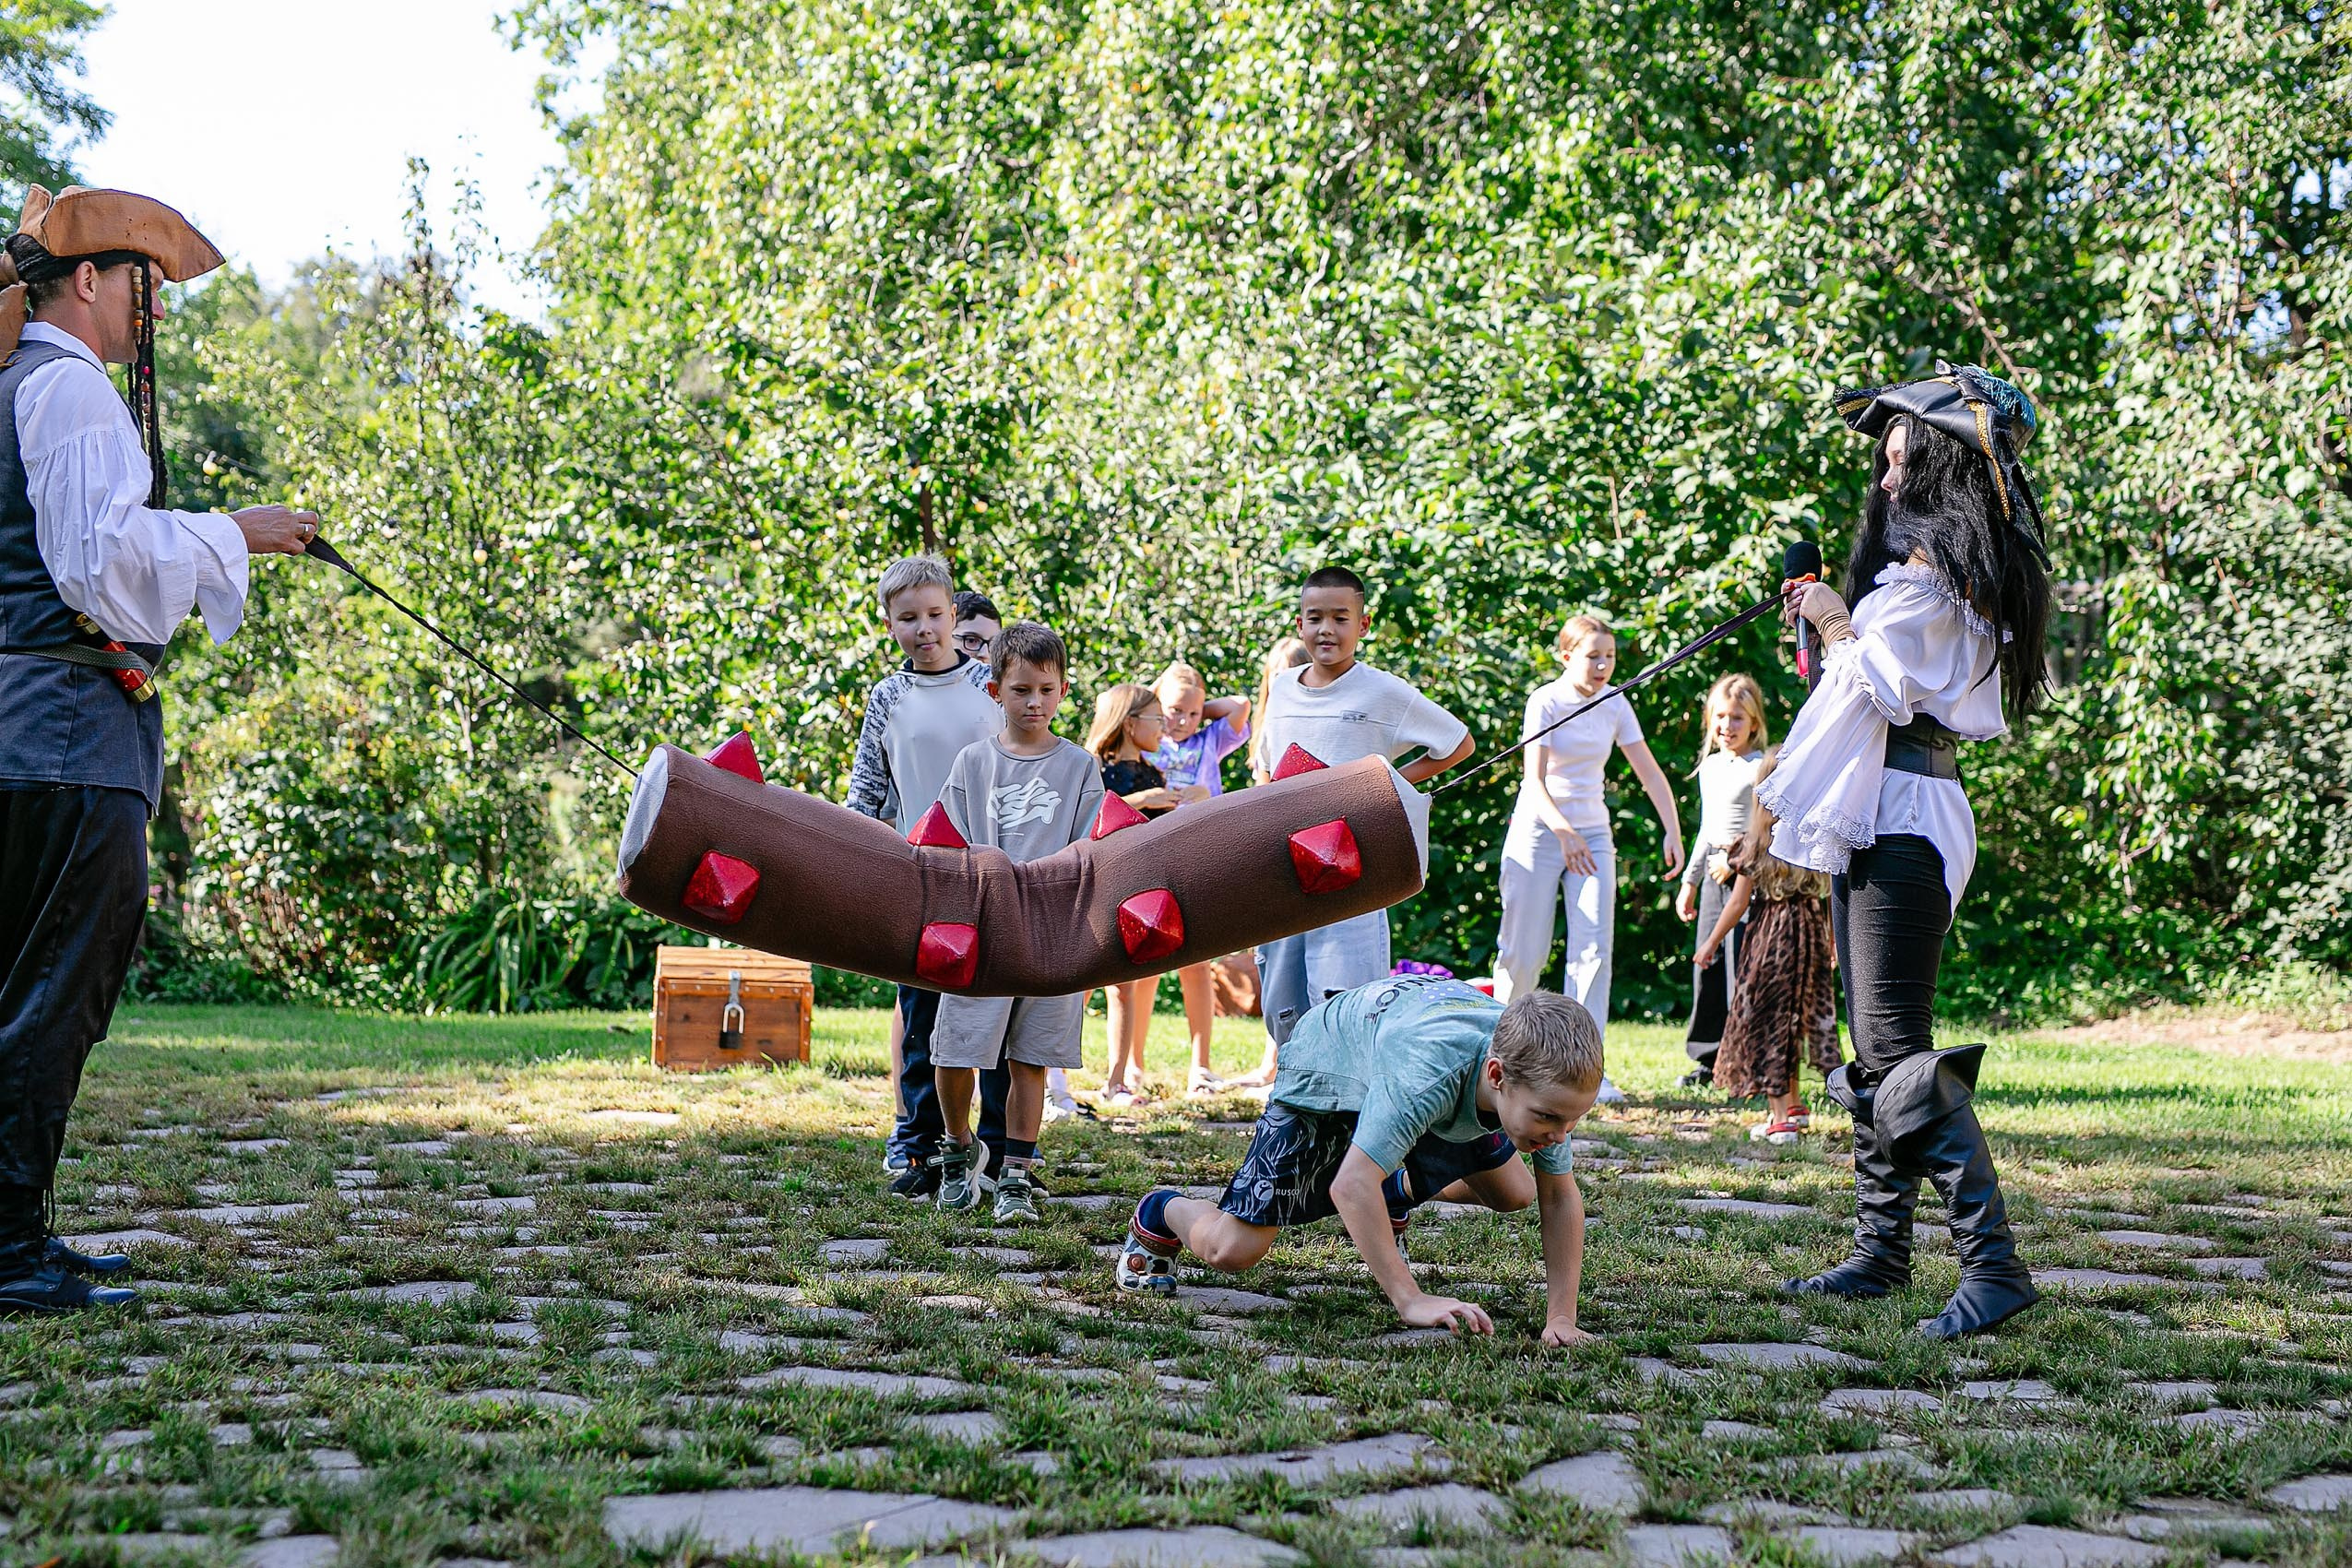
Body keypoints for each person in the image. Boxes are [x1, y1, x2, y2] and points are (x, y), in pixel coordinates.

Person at [0, 185, 317, 1313]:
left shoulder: (13, 384)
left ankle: (15, 1226)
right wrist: (240, 533)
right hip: (68, 738)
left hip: (27, 730)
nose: (150, 312)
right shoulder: (74, 393)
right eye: (142, 285)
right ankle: (6, 1246)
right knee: (52, 990)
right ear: (89, 280)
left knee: (22, 984)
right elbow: (99, 564)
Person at [1765, 362, 2054, 1340]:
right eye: (1883, 462)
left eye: (1902, 461)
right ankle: (1882, 1252)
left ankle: (1995, 1265)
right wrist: (1820, 626)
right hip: (1877, 809)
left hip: (1906, 820)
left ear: (1942, 472)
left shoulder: (1949, 595)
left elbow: (1887, 688)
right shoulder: (1918, 581)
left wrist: (1833, 619)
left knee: (1893, 1046)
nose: (1886, 481)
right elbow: (1854, 691)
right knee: (1875, 1043)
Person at [1116, 975, 1599, 1344]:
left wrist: (1561, 1317)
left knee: (1517, 1191)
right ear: (1497, 1075)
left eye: (1573, 1120)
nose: (1560, 1134)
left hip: (1396, 1058)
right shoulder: (1427, 1075)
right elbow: (1348, 1185)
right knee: (1232, 1250)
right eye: (1549, 1118)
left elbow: (1558, 1198)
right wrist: (1409, 1299)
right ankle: (1161, 1209)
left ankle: (1390, 1189)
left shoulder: (1539, 1079)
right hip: (1325, 1073)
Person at [927, 622, 1105, 1223]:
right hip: (981, 933)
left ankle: (1016, 1177)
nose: (1034, 702)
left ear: (1062, 692)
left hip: (1052, 935)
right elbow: (945, 843)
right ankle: (958, 1150)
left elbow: (1094, 851)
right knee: (956, 1051)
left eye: (1047, 690)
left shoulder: (1080, 768)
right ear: (995, 690)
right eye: (1021, 689)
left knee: (1031, 1057)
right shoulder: (974, 764)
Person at [1253, 566, 1473, 1051]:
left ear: (1364, 625)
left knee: (1344, 996)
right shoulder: (1284, 687)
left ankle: (1347, 1111)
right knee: (1282, 995)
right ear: (1299, 625)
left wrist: (1384, 785)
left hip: (1352, 868)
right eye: (1315, 618)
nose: (1326, 629)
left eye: (1340, 618)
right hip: (1286, 865)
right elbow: (1269, 771)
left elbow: (1457, 743)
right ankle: (1293, 1105)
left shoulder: (1383, 690)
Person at [843, 552, 1005, 1200]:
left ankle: (999, 1154)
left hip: (995, 872)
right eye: (908, 619)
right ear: (890, 624)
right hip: (921, 877)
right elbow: (867, 790)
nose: (925, 629)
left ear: (953, 614)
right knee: (922, 1020)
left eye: (935, 615)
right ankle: (918, 1148)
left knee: (994, 1018)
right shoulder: (888, 697)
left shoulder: (989, 684)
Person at [1492, 613, 1685, 1106]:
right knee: (1524, 954)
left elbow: (1649, 771)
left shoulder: (1614, 701)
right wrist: (1563, 833)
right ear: (1566, 657)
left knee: (1594, 949)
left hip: (1593, 835)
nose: (1602, 665)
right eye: (1592, 656)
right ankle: (1498, 1057)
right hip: (1539, 831)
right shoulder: (1547, 701)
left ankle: (1585, 1072)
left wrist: (1672, 828)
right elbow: (1532, 781)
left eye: (1610, 657)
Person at [1698, 750, 1839, 1142]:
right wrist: (1832, 941)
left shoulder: (1758, 841)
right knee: (1795, 1017)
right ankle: (1793, 1104)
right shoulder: (1817, 832)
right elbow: (1832, 897)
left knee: (1769, 1020)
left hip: (1772, 939)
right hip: (1809, 935)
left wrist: (1710, 942)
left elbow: (1738, 902)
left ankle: (1781, 1118)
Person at [1151, 661, 1252, 1096]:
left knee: (1197, 960)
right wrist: (1164, 706)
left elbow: (1242, 706)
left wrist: (1198, 704)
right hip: (1154, 852)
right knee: (1146, 964)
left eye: (1192, 714)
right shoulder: (1147, 739)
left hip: (1199, 853)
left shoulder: (1209, 739)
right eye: (1175, 711)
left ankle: (1201, 1065)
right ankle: (1131, 1066)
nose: (1184, 721)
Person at [1086, 682, 1183, 1106]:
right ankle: (1052, 1082)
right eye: (1156, 719)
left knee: (1124, 987)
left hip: (1137, 889)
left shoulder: (1155, 774)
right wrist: (1143, 800)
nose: (1164, 728)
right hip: (1094, 888)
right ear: (1129, 723)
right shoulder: (1094, 771)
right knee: (1079, 988)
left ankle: (1116, 1080)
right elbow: (1091, 820)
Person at [1227, 635, 1313, 1090]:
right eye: (1275, 673)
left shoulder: (1314, 719)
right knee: (1273, 958)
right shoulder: (1267, 726)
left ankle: (1288, 1062)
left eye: (1293, 669)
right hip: (1273, 848)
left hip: (1307, 849)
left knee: (1300, 959)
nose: (1284, 680)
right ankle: (1272, 1059)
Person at [1675, 674, 1768, 1088]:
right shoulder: (1710, 768)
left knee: (1740, 970)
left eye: (1737, 718)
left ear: (1753, 723)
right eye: (1720, 717)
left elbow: (1764, 829)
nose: (1727, 726)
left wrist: (1735, 863)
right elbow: (1706, 829)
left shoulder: (1759, 767)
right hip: (1712, 878)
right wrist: (1690, 882)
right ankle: (1707, 1058)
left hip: (1745, 877)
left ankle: (1742, 1061)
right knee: (1707, 966)